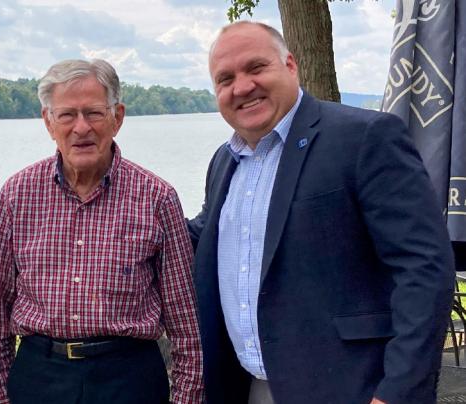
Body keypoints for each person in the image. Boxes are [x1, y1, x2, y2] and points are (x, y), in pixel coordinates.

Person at [188, 21, 454, 404]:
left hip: (352, 388)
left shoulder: (366, 137)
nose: (242, 87)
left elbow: (425, 269)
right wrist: (128, 214)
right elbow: (204, 233)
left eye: (256, 68)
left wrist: (397, 392)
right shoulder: (225, 161)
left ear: (291, 65)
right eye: (225, 78)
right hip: (250, 387)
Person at [0, 59, 203, 404]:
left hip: (130, 379)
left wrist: (185, 399)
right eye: (67, 115)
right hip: (39, 376)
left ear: (118, 117)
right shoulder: (17, 194)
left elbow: (187, 324)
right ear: (49, 122)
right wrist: (2, 396)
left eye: (94, 113)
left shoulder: (157, 198)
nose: (81, 127)